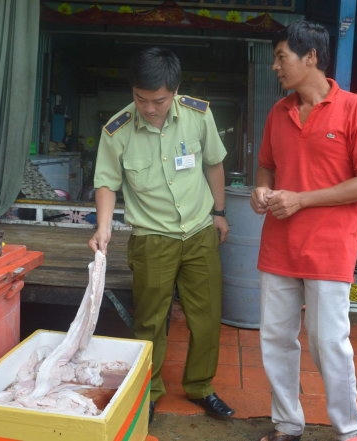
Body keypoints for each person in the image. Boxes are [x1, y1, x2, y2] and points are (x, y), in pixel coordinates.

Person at [250, 21, 357, 441]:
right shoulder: (278, 112)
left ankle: (348, 430)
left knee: (328, 342)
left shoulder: (356, 108)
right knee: (276, 339)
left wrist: (302, 199)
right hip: (279, 246)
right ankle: (287, 424)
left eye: (281, 57)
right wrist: (262, 190)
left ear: (310, 57)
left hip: (329, 249)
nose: (275, 66)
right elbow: (266, 166)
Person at [89, 47, 235, 422]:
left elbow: (214, 164)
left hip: (199, 231)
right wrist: (104, 227)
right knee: (150, 321)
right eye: (141, 99)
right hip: (152, 238)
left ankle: (200, 386)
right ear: (132, 91)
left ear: (175, 90)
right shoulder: (117, 130)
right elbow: (106, 182)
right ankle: (149, 390)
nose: (150, 109)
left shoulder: (198, 115)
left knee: (206, 317)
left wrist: (219, 212)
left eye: (159, 100)